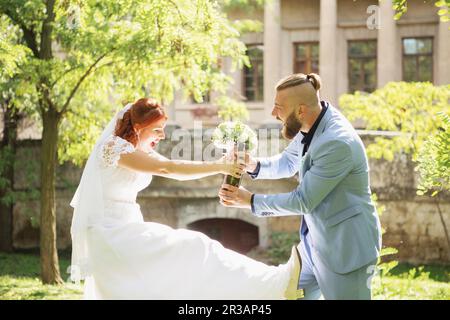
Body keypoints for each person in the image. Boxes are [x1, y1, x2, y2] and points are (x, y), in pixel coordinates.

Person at [69, 97, 303, 300]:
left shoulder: (139, 150)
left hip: (127, 228)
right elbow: (167, 168)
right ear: (138, 127)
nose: (162, 136)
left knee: (187, 263)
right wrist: (219, 165)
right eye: (157, 130)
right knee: (195, 249)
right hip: (110, 233)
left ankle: (276, 283)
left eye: (164, 130)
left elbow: (178, 169)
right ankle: (277, 283)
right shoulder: (113, 147)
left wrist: (225, 164)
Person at [219, 73, 382, 300]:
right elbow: (288, 163)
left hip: (345, 250)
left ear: (301, 110)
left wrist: (250, 201)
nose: (273, 114)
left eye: (278, 107)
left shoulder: (337, 142)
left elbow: (303, 200)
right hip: (313, 245)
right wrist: (252, 165)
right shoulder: (313, 121)